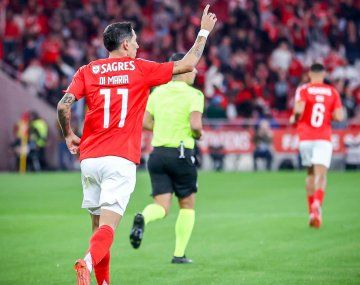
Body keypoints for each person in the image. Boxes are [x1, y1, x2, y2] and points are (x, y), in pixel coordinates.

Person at [57, 5, 217, 285]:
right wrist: (203, 31)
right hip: (119, 159)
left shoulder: (88, 71)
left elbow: (63, 106)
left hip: (90, 159)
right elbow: (189, 62)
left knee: (98, 229)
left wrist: (68, 134)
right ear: (125, 44)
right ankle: (87, 262)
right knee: (108, 228)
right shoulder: (139, 69)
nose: (139, 45)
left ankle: (103, 283)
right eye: (135, 40)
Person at [129, 52, 204, 264]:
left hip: (158, 154)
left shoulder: (157, 93)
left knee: (161, 206)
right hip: (181, 154)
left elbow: (144, 121)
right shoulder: (194, 95)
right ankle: (179, 254)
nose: (196, 71)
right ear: (185, 70)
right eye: (194, 68)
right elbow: (196, 126)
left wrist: (160, 128)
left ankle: (143, 216)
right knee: (187, 205)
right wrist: (198, 135)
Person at [290, 63, 344, 228]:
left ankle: (311, 212)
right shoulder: (332, 91)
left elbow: (299, 109)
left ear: (309, 73)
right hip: (323, 138)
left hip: (305, 138)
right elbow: (339, 116)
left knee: (310, 174)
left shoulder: (304, 89)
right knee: (321, 175)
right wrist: (329, 116)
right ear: (324, 74)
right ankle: (317, 205)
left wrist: (295, 118)